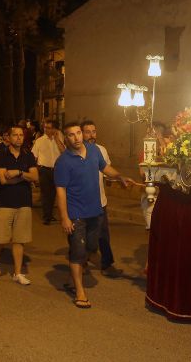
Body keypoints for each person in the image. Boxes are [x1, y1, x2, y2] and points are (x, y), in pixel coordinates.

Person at [54, 122, 133, 308]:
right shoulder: (63, 162)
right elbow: (61, 192)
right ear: (66, 138)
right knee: (79, 250)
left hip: (95, 211)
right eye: (71, 135)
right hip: (76, 215)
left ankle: (72, 274)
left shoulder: (94, 150)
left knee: (89, 248)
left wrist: (120, 176)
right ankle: (80, 292)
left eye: (78, 133)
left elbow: (105, 168)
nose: (77, 137)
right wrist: (64, 217)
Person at [0, 126, 39, 284]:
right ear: (8, 137)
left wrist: (18, 173)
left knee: (20, 239)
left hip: (24, 202)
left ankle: (17, 273)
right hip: (5, 202)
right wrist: (26, 177)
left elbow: (35, 177)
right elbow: (3, 180)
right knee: (1, 238)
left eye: (21, 135)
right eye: (15, 135)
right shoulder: (2, 155)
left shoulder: (28, 154)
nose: (18, 138)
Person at [81, 120, 122, 277]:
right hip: (83, 203)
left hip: (100, 201)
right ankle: (81, 262)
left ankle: (107, 264)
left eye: (94, 131)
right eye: (87, 132)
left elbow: (107, 171)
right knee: (83, 234)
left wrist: (119, 178)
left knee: (103, 234)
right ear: (81, 133)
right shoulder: (77, 151)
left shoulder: (102, 150)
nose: (91, 135)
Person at [31, 119, 64, 225]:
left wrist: (58, 139)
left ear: (54, 129)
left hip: (57, 170)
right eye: (45, 127)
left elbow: (64, 152)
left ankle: (51, 215)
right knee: (45, 194)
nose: (46, 130)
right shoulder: (39, 141)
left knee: (55, 194)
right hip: (44, 170)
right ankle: (46, 217)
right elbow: (33, 156)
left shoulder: (59, 138)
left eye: (49, 128)